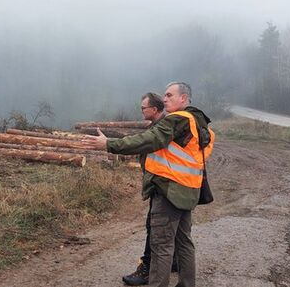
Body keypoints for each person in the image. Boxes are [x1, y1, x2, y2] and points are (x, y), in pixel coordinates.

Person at [83, 82, 214, 287]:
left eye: (170, 95)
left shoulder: (177, 119)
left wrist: (108, 144)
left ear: (184, 99)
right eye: (164, 95)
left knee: (161, 246)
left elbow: (149, 139)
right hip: (188, 191)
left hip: (169, 190)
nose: (165, 99)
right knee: (184, 243)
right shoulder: (198, 122)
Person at [121, 92, 178, 286]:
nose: (141, 111)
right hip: (168, 183)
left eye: (143, 108)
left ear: (154, 109)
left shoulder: (165, 126)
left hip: (164, 184)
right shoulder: (161, 124)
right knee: (171, 227)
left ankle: (147, 270)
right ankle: (172, 261)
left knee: (155, 227)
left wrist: (109, 144)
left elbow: (142, 142)